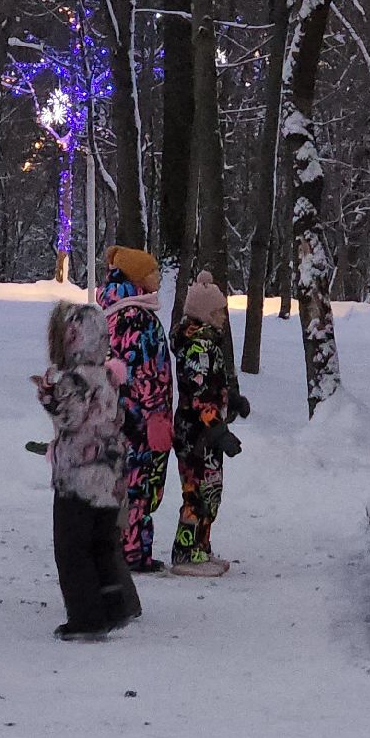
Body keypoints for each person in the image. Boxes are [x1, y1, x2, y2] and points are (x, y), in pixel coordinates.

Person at [35, 301, 139, 639]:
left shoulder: (76, 380)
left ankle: (86, 619)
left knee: (72, 549)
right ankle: (113, 606)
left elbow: (70, 416)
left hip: (77, 480)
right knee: (102, 545)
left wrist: (49, 396)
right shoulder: (109, 377)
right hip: (109, 479)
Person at [97, 246, 173, 573]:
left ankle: (122, 549)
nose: (158, 277)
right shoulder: (135, 317)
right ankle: (131, 553)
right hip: (139, 419)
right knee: (139, 485)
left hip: (121, 416)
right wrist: (154, 412)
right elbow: (141, 371)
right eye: (153, 272)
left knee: (124, 483)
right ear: (137, 278)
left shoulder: (116, 311)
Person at [169, 272, 250, 577]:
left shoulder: (210, 344)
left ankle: (201, 549)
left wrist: (233, 401)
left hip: (208, 433)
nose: (224, 318)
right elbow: (198, 394)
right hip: (197, 435)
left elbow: (214, 386)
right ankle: (185, 551)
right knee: (197, 493)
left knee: (211, 492)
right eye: (219, 312)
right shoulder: (197, 348)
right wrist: (218, 430)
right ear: (204, 313)